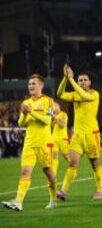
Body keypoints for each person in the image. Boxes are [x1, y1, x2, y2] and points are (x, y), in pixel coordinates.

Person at [1, 74, 57, 211]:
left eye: (34, 83)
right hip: (29, 143)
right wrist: (25, 113)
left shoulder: (49, 101)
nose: (31, 86)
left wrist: (31, 112)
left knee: (49, 173)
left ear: (41, 85)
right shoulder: (26, 103)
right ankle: (18, 201)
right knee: (25, 172)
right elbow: (21, 123)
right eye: (29, 84)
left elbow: (47, 121)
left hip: (44, 143)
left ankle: (53, 199)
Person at [56, 64, 102, 200]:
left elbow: (84, 95)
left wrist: (71, 80)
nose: (82, 82)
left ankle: (100, 190)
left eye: (85, 80)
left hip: (91, 135)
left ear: (90, 82)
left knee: (95, 163)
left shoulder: (94, 94)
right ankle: (63, 191)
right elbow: (59, 94)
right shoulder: (75, 95)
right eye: (80, 80)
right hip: (77, 136)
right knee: (72, 163)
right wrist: (65, 79)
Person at [51, 102, 70, 176]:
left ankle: (73, 169)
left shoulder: (63, 114)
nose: (53, 108)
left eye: (55, 106)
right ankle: (53, 174)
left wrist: (55, 117)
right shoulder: (53, 117)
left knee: (66, 156)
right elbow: (52, 127)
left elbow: (63, 125)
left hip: (63, 138)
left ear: (58, 107)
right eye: (53, 107)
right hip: (54, 139)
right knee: (54, 155)